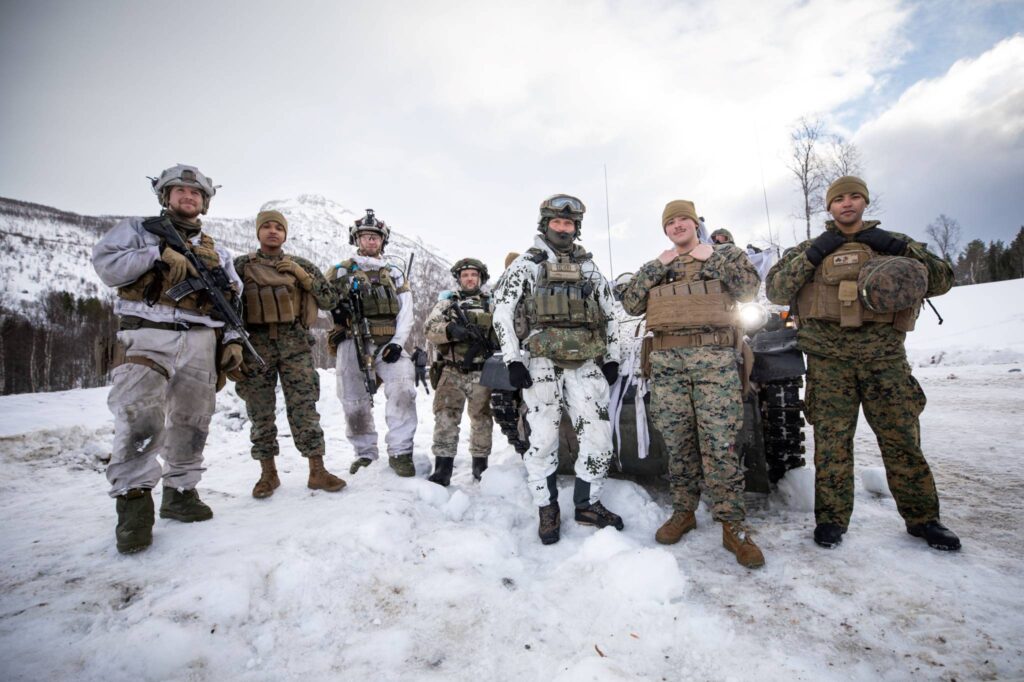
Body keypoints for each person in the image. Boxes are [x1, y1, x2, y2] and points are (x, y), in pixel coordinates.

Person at [766, 175, 960, 551]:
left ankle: (924, 519)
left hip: (884, 358)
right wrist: (814, 254)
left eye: (855, 196)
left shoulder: (893, 244)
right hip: (829, 361)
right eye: (839, 199)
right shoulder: (809, 249)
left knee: (902, 440)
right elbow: (776, 289)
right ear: (829, 206)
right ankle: (831, 520)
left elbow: (942, 279)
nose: (847, 203)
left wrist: (899, 248)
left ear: (864, 203)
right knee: (832, 444)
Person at [92, 164, 242, 554]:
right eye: (180, 191)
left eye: (195, 193)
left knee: (193, 420)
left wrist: (232, 340)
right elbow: (107, 266)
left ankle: (181, 492)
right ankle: (134, 505)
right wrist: (155, 253)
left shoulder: (218, 251)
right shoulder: (139, 230)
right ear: (165, 196)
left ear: (204, 202)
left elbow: (232, 300)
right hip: (147, 333)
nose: (188, 197)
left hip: (201, 339)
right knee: (139, 418)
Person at [621, 199, 765, 568]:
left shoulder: (725, 255)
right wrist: (658, 265)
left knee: (720, 443)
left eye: (684, 219)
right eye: (671, 222)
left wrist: (711, 257)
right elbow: (632, 304)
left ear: (695, 224)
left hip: (713, 362)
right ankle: (684, 511)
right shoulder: (659, 266)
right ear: (665, 229)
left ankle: (733, 526)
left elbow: (748, 290)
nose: (678, 226)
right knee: (678, 442)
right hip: (667, 364)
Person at [492, 194, 623, 545]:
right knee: (542, 440)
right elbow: (502, 312)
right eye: (556, 222)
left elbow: (611, 313)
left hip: (584, 361)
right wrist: (513, 360)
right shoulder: (527, 264)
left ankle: (587, 504)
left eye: (568, 223)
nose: (562, 228)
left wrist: (613, 357)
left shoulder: (588, 267)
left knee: (598, 437)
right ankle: (546, 507)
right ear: (545, 224)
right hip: (541, 362)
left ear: (576, 228)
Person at [232, 209, 346, 499]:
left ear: (285, 234)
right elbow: (225, 304)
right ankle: (268, 473)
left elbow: (329, 299)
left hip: (295, 346)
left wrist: (302, 277)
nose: (273, 231)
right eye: (267, 227)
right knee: (260, 411)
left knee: (305, 407)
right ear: (258, 232)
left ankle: (317, 470)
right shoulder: (241, 265)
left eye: (279, 228)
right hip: (255, 347)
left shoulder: (300, 264)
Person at [326, 209, 418, 477]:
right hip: (351, 341)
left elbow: (406, 310)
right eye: (365, 236)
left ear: (383, 241)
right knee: (353, 398)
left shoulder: (394, 273)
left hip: (388, 342)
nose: (370, 240)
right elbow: (320, 300)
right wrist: (336, 311)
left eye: (375, 237)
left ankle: (401, 452)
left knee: (403, 389)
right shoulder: (340, 271)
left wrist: (398, 343)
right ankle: (365, 454)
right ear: (357, 240)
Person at [423, 258, 497, 486]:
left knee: (482, 419)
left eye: (474, 275)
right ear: (459, 279)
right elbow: (429, 328)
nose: (469, 279)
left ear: (480, 278)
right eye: (465, 275)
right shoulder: (447, 303)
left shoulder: (491, 304)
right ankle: (442, 469)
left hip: (481, 371)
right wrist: (450, 330)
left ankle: (480, 466)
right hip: (452, 370)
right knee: (445, 417)